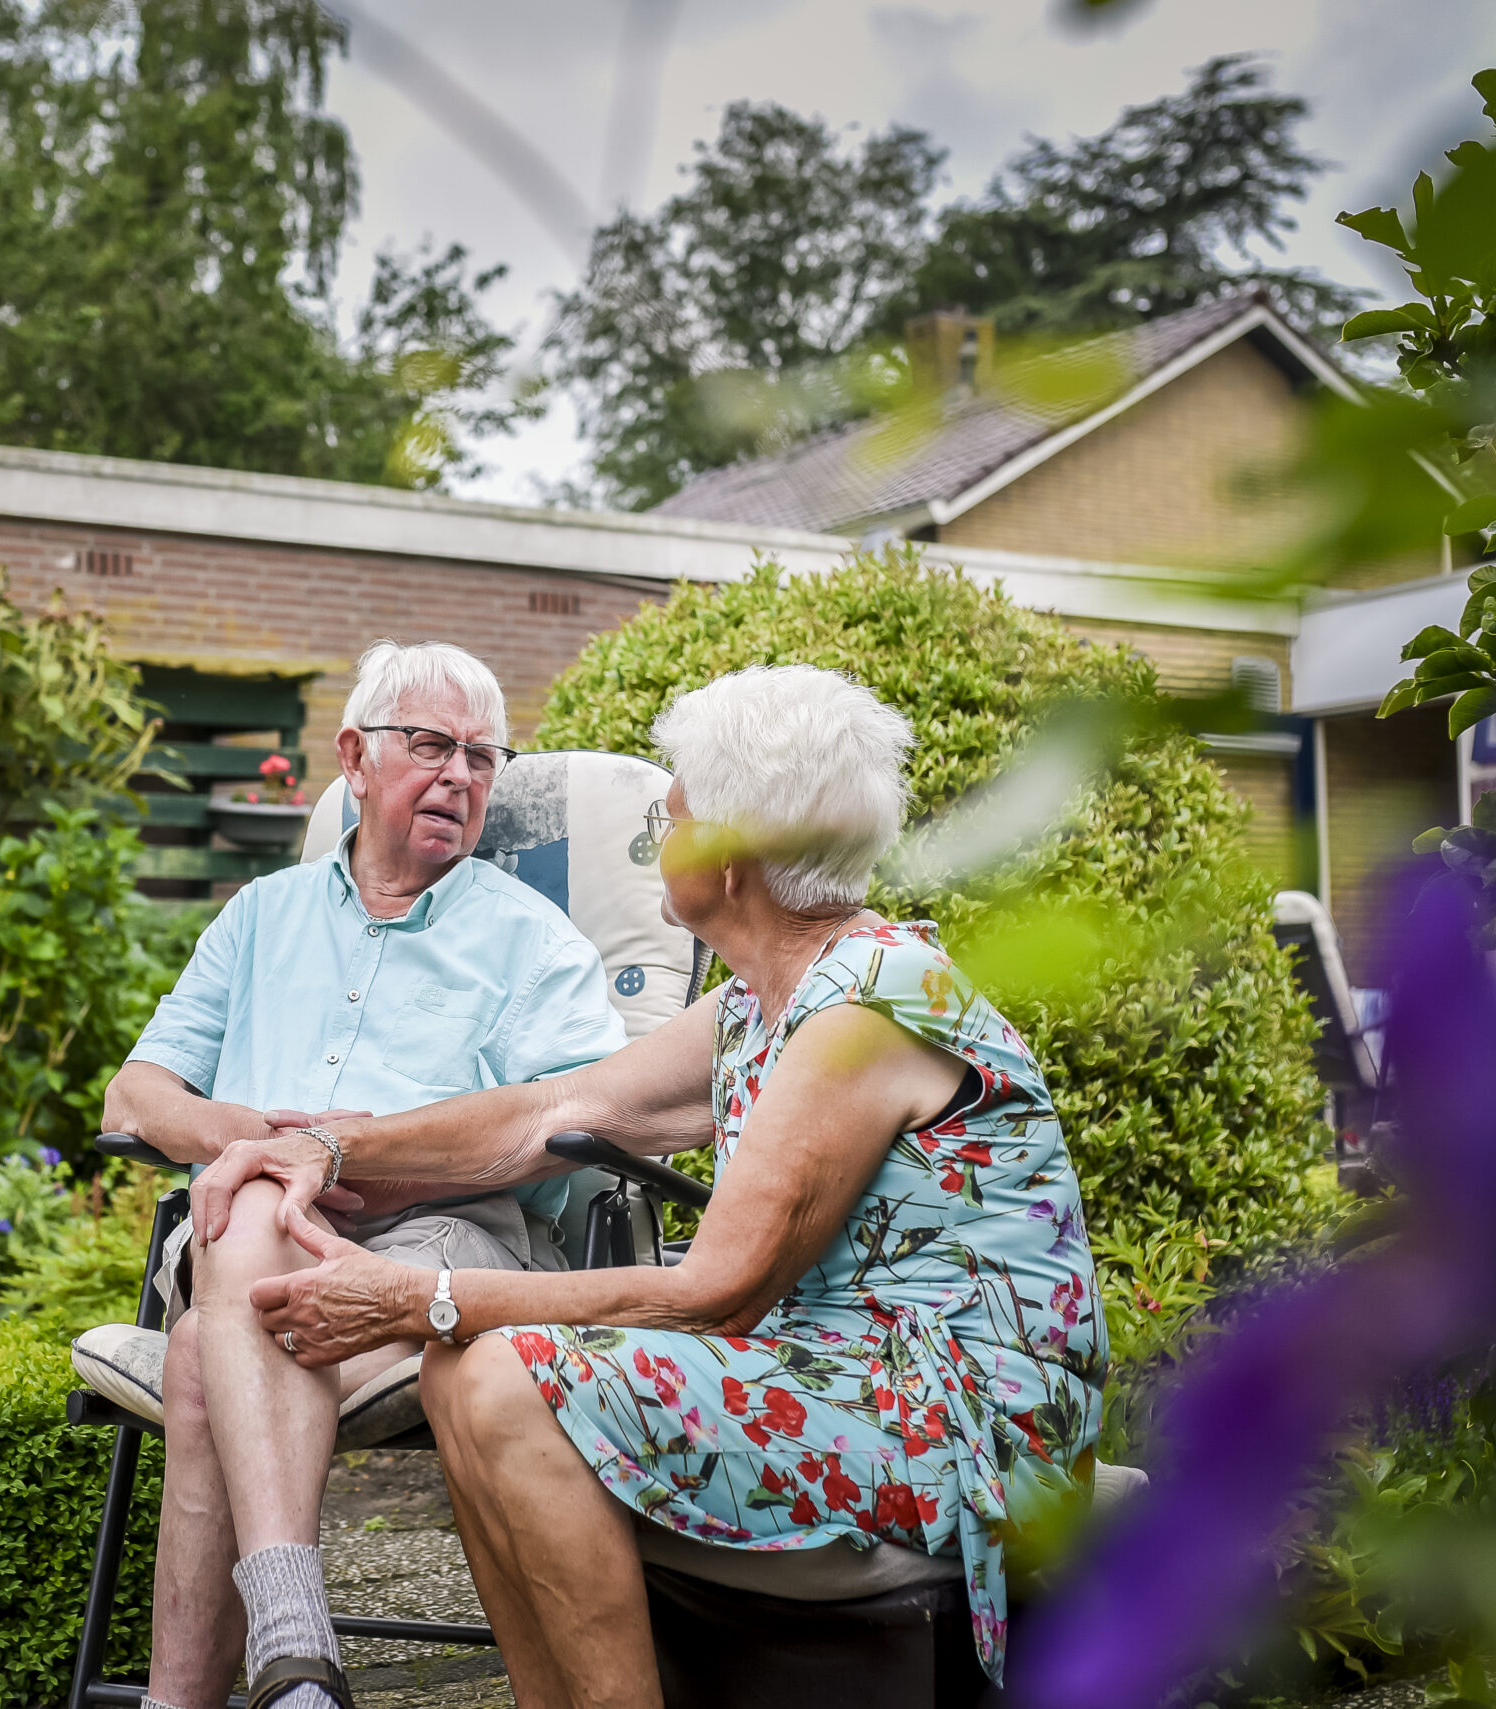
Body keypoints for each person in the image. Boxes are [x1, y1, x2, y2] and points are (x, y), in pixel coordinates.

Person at [192, 663, 1106, 1709]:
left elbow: (716, 1290)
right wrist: (329, 1146)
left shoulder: (866, 1008)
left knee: (501, 1375)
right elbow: (552, 1109)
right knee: (464, 1372)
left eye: (669, 816)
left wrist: (420, 1297)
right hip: (841, 1372)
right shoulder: (766, 998)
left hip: (957, 1418)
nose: (657, 838)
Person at [102, 640, 628, 1709]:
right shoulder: (261, 913)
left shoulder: (533, 940)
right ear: (352, 754)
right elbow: (134, 1099)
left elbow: (575, 1125)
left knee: (209, 1350)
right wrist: (254, 1134)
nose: (462, 777)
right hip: (240, 1233)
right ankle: (295, 1654)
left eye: (484, 757)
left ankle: (246, 1675)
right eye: (431, 745)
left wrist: (377, 1158)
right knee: (254, 1193)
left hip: (445, 1246)